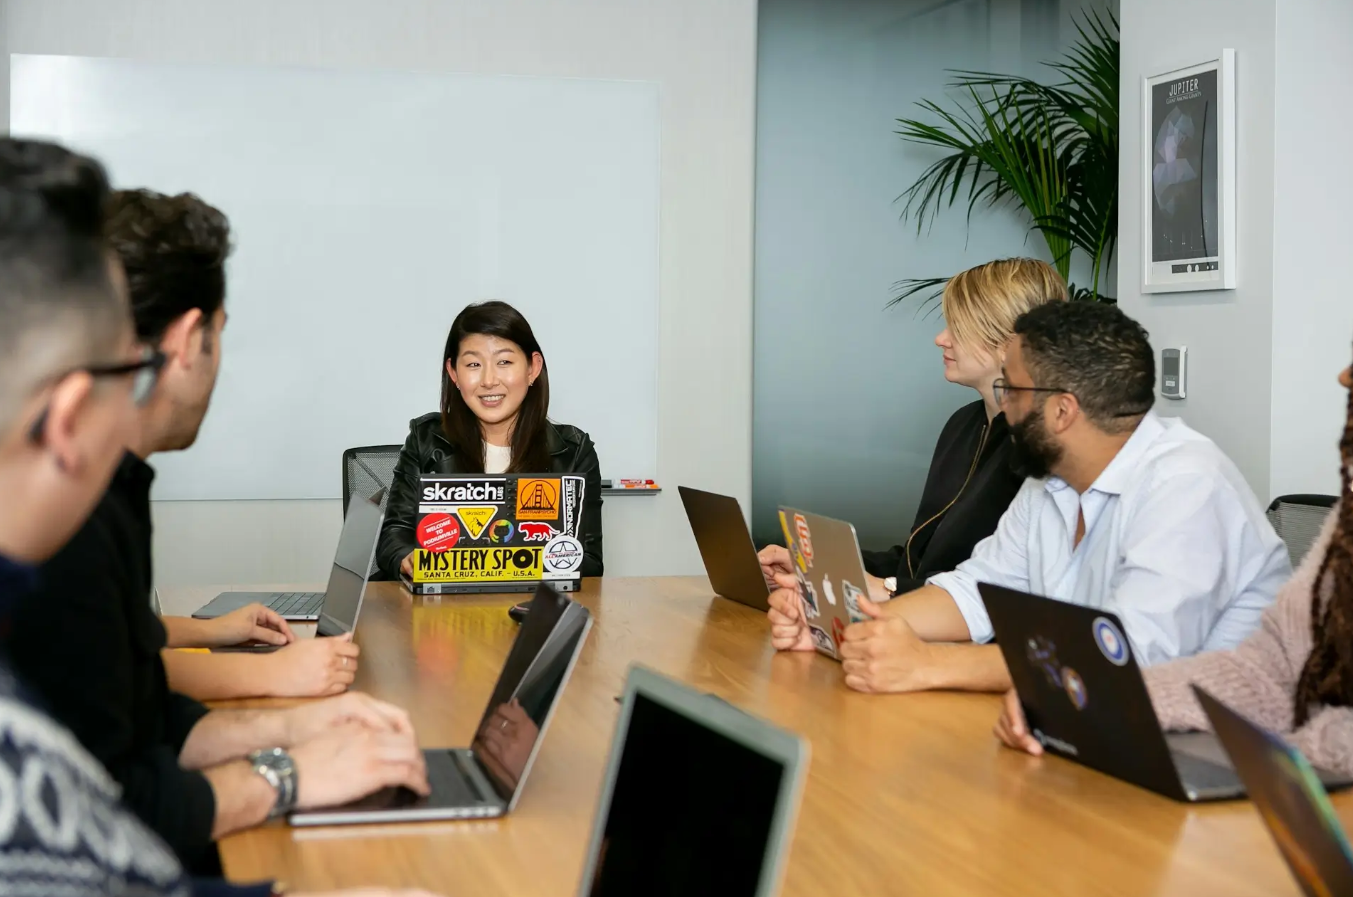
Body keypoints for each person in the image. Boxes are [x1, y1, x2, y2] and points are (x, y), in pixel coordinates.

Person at [0, 136, 434, 897]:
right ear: (68, 418)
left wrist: (288, 734)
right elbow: (115, 821)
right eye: (118, 369)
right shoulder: (58, 553)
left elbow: (116, 769)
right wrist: (286, 773)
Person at [767, 301, 1290, 694]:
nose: (1004, 409)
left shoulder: (1187, 485)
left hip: (1224, 764)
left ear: (1062, 411)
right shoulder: (1052, 482)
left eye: (1011, 392)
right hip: (1104, 733)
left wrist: (930, 665)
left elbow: (1125, 657)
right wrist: (842, 626)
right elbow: (975, 592)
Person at [997, 353, 1353, 774]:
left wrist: (1298, 765)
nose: (1344, 376)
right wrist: (1097, 695)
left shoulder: (1186, 477)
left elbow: (1139, 644)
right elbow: (1270, 671)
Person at [758, 257, 1066, 600]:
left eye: (958, 327)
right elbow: (914, 561)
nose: (941, 339)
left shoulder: (1043, 448)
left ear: (1008, 342)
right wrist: (812, 564)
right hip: (920, 616)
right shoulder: (963, 425)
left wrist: (884, 589)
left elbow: (1002, 592)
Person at [378, 301, 603, 580]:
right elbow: (393, 537)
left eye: (504, 362)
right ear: (454, 374)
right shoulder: (426, 439)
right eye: (473, 364)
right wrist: (407, 558)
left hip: (530, 611)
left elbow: (591, 561)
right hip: (442, 613)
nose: (488, 380)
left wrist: (519, 563)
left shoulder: (573, 451)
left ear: (533, 368)